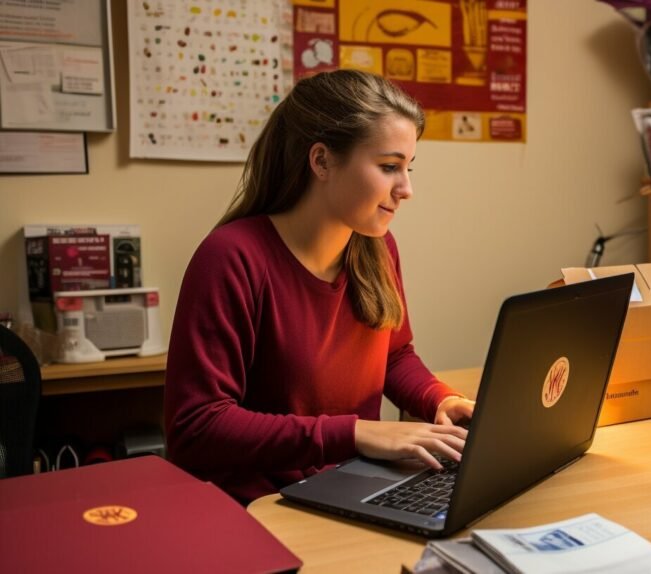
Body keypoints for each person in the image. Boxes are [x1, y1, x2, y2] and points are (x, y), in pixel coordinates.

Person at [164, 70, 475, 503]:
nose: (406, 189)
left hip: (355, 484)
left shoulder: (377, 247)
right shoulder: (231, 257)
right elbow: (196, 426)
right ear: (322, 161)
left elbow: (393, 355)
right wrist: (355, 433)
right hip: (264, 503)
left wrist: (438, 399)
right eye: (389, 167)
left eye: (408, 168)